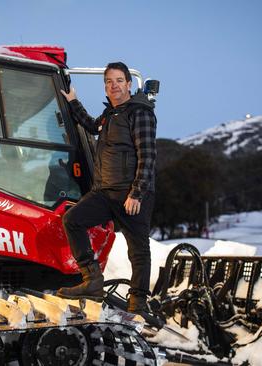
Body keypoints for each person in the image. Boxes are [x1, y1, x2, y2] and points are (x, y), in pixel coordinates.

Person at [56, 62, 157, 314]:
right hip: (105, 191)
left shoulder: (139, 112)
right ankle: (92, 280)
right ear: (105, 86)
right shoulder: (110, 115)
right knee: (72, 220)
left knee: (138, 249)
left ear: (129, 84)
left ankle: (138, 302)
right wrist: (73, 101)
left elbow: (148, 155)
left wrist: (137, 192)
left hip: (130, 193)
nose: (114, 86)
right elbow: (91, 126)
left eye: (119, 81)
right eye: (109, 81)